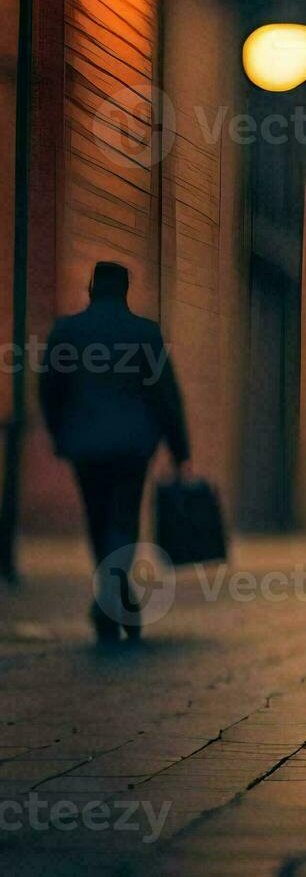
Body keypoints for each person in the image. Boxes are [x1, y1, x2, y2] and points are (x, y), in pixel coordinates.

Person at [39, 262, 190, 643]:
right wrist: (179, 447)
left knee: (97, 517)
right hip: (132, 447)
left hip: (85, 445)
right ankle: (115, 594)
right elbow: (165, 395)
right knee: (123, 518)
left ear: (91, 288)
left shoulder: (67, 331)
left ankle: (110, 594)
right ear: (125, 290)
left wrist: (59, 432)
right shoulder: (144, 333)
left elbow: (49, 388)